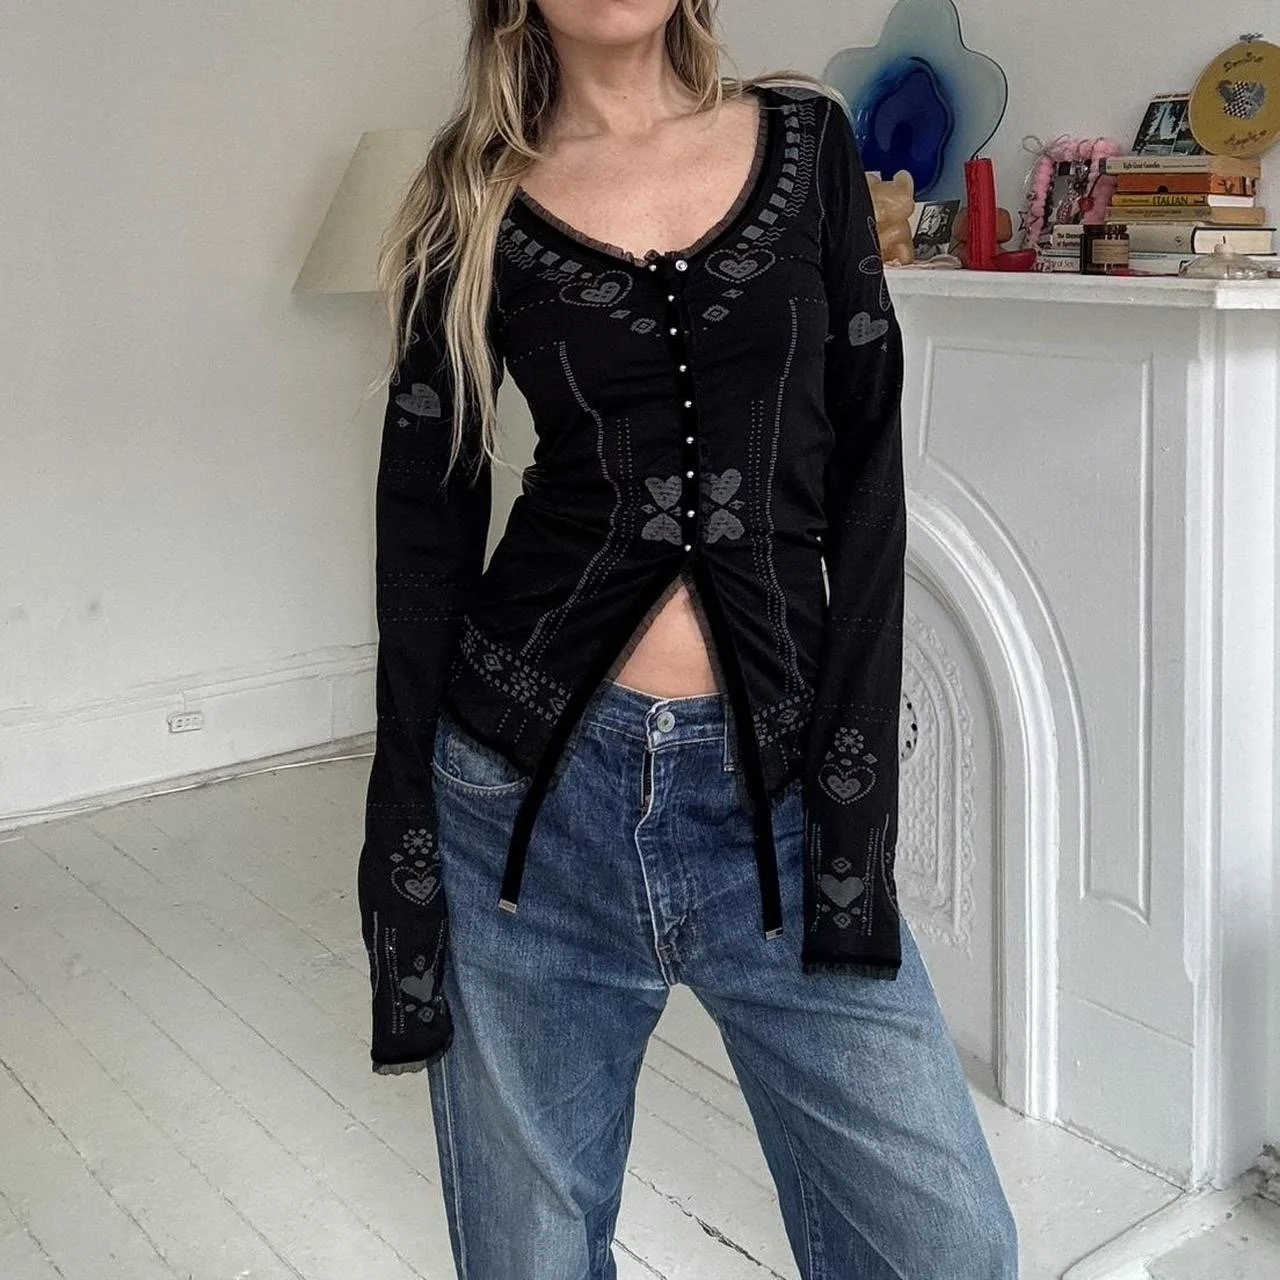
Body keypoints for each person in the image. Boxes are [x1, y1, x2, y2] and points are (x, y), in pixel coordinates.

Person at [357, 2, 1019, 1276]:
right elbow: (422, 530)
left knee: (945, 1244)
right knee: (531, 1256)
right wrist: (404, 830)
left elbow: (866, 478)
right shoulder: (468, 198)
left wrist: (850, 790)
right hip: (524, 805)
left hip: (775, 792)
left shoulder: (805, 144)